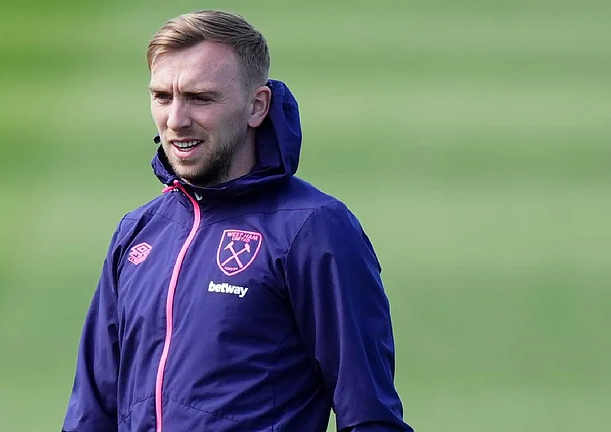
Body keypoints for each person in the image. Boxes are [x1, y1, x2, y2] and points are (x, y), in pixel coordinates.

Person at [62, 9, 412, 432]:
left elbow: (371, 417)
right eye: (162, 97)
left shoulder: (314, 230)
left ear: (256, 106)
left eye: (201, 98)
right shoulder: (138, 231)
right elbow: (91, 411)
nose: (176, 120)